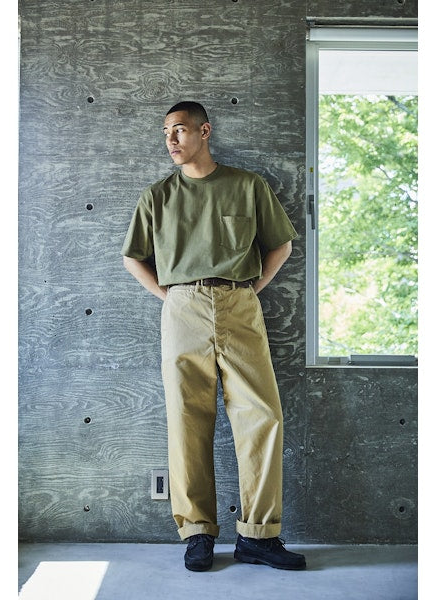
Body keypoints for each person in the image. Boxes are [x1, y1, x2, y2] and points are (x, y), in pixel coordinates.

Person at [121, 101, 306, 572]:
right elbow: (132, 257)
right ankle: (197, 533)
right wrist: (170, 297)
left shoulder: (248, 185)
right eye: (166, 131)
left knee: (262, 416)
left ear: (205, 131)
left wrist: (251, 291)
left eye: (180, 130)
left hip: (240, 302)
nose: (171, 140)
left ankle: (259, 536)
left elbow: (281, 245)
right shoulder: (157, 196)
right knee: (187, 419)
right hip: (182, 306)